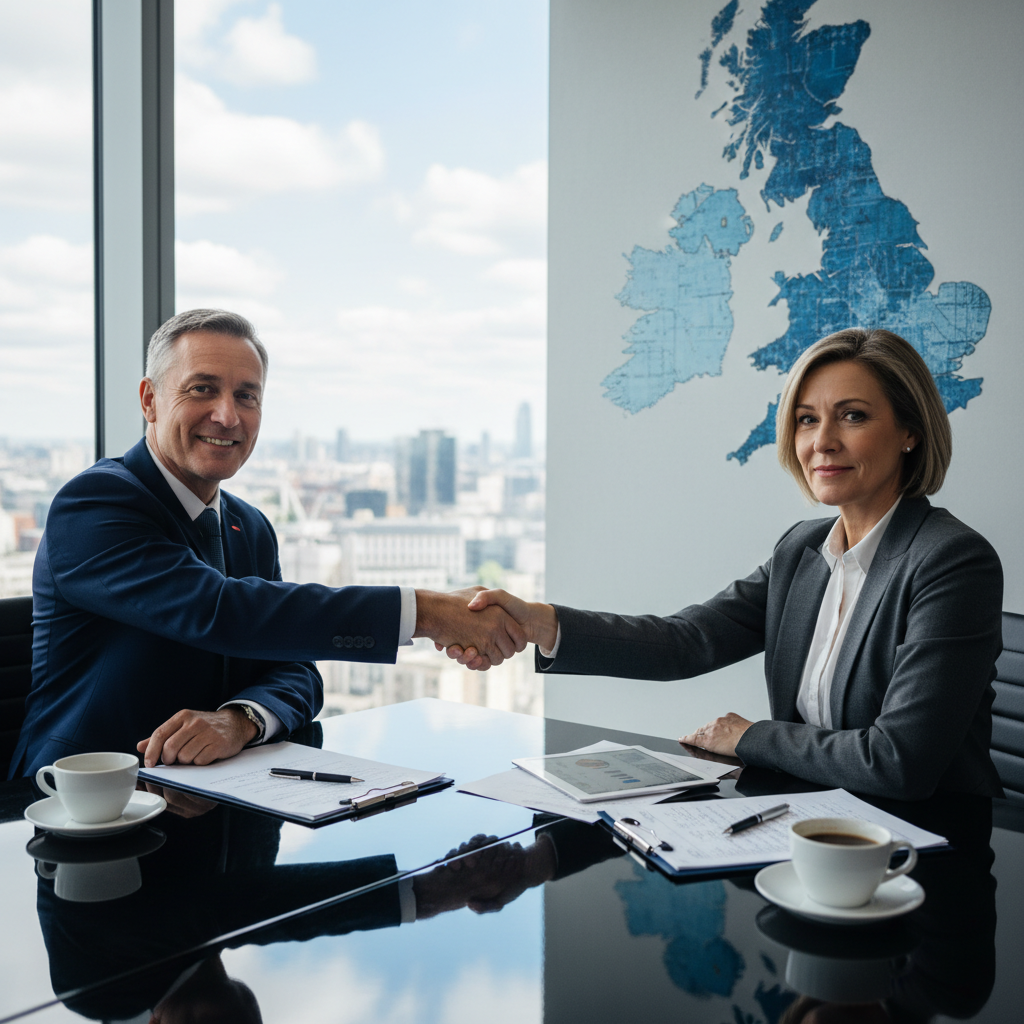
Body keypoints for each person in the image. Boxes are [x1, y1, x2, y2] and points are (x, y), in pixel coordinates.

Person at [448, 328, 1004, 800]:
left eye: (852, 416)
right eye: (807, 420)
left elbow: (898, 760)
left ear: (911, 432)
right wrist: (540, 621)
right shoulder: (802, 551)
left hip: (928, 849)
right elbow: (684, 640)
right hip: (812, 826)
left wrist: (750, 736)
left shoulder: (951, 562)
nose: (823, 442)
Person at [9, 309, 525, 778]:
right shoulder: (95, 504)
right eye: (202, 389)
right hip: (86, 803)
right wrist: (428, 612)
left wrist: (241, 720)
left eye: (246, 396)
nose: (228, 416)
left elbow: (295, 668)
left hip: (224, 807)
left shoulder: (249, 525)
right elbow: (219, 612)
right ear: (150, 400)